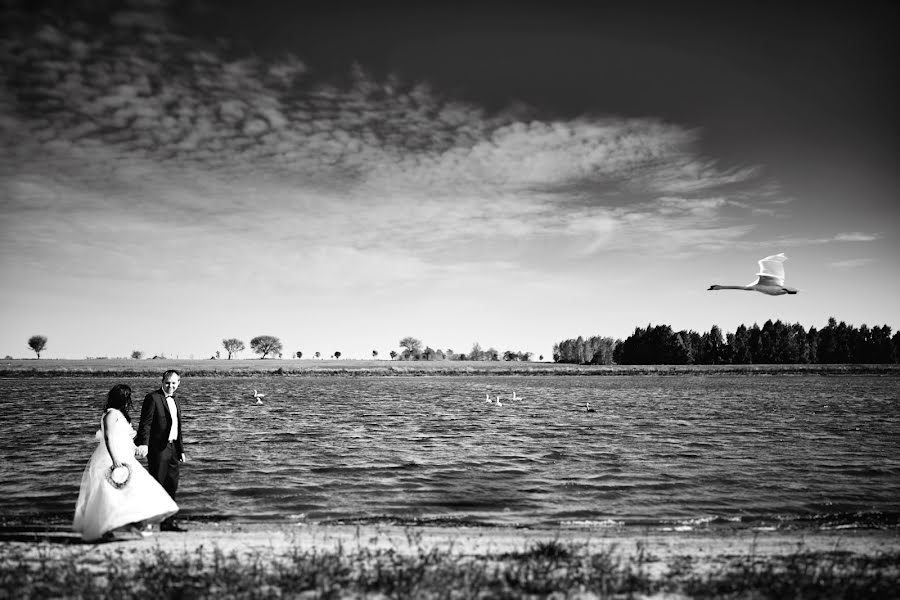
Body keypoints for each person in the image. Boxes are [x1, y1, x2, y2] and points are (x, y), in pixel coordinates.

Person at [72, 384, 178, 542]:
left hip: (126, 457)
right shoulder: (111, 414)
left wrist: (135, 446)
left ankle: (135, 523)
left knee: (138, 489)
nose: (130, 401)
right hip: (113, 458)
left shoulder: (120, 415)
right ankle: (113, 526)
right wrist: (115, 460)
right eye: (128, 397)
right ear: (123, 398)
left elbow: (120, 437)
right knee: (111, 493)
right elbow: (107, 437)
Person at [135, 369, 187, 531]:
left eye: (173, 383)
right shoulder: (152, 398)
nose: (170, 386)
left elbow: (178, 427)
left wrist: (181, 450)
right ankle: (147, 523)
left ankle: (167, 522)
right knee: (156, 485)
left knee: (172, 484)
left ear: (178, 383)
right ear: (162, 382)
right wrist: (143, 444)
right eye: (167, 383)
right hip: (157, 449)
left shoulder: (176, 399)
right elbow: (145, 423)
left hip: (172, 449)